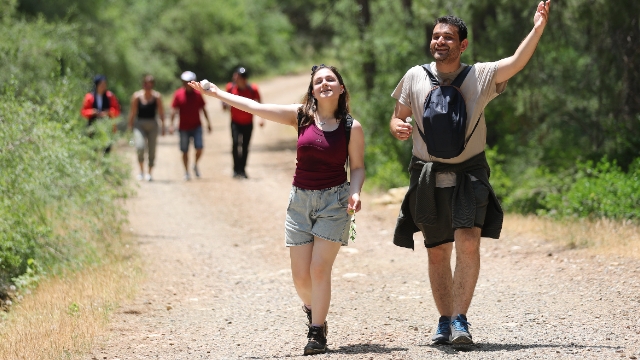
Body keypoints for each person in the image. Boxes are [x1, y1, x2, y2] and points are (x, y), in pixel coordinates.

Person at [389, 1, 551, 346]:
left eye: (447, 37)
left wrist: (537, 28)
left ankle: (460, 320)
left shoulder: (481, 75)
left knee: (467, 241)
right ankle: (444, 321)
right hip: (428, 176)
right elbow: (397, 115)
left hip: (469, 175)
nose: (440, 42)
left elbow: (516, 62)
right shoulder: (414, 76)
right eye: (435, 37)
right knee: (437, 250)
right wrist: (398, 127)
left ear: (463, 44)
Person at [189, 64, 365, 355]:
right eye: (318, 81)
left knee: (319, 269)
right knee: (300, 276)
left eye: (330, 80)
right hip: (299, 203)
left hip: (334, 202)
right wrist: (218, 93)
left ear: (341, 88)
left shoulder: (351, 127)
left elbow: (357, 167)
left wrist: (355, 192)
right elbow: (255, 107)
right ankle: (313, 310)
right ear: (312, 90)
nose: (324, 84)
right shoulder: (300, 116)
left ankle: (317, 333)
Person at [223, 66, 264, 179]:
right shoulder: (230, 88)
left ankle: (243, 169)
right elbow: (224, 100)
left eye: (238, 76)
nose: (235, 78)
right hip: (235, 122)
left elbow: (259, 103)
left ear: (244, 79)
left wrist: (261, 118)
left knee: (245, 146)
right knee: (236, 144)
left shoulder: (253, 89)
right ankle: (236, 169)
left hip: (248, 123)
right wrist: (224, 105)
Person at [169, 71, 211, 180]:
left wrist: (208, 123)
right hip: (183, 128)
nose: (186, 84)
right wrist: (171, 125)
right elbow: (174, 110)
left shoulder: (198, 94)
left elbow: (203, 109)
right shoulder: (178, 94)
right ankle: (186, 171)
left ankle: (195, 164)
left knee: (199, 148)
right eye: (184, 82)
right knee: (185, 151)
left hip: (197, 126)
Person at [127, 74, 165, 181]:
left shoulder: (157, 96)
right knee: (140, 147)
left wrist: (163, 127)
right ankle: (141, 171)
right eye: (145, 84)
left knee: (152, 149)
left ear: (153, 85)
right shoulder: (137, 96)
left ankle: (149, 173)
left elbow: (161, 112)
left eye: (150, 84)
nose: (147, 86)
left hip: (153, 124)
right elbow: (133, 112)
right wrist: (130, 127)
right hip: (139, 125)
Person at [80, 75, 121, 153]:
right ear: (97, 85)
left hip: (107, 125)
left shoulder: (110, 96)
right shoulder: (89, 97)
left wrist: (108, 112)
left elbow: (117, 110)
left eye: (105, 84)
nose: (103, 86)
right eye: (101, 84)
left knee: (107, 148)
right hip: (93, 126)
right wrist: (92, 112)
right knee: (93, 148)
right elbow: (83, 112)